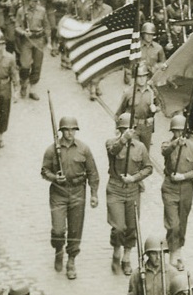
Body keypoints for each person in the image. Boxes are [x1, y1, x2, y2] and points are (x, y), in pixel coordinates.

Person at [42, 115, 101, 280]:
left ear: (76, 130)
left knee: (75, 229)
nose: (69, 133)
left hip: (77, 192)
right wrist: (54, 177)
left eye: (72, 129)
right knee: (58, 229)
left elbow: (93, 173)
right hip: (58, 192)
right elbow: (44, 171)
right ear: (61, 131)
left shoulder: (84, 149)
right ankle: (58, 250)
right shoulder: (52, 149)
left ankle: (71, 260)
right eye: (66, 130)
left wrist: (94, 194)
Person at [105, 112, 153, 274]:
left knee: (132, 226)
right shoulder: (112, 142)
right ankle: (116, 251)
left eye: (129, 129)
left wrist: (134, 178)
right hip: (115, 189)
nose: (126, 132)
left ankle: (126, 256)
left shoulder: (140, 147)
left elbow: (148, 168)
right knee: (118, 227)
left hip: (133, 190)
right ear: (118, 129)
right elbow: (112, 151)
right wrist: (123, 139)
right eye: (123, 129)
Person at [160, 113, 193, 270]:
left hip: (186, 189)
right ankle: (173, 251)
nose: (179, 134)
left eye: (181, 131)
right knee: (173, 224)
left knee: (182, 223)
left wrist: (184, 176)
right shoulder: (167, 144)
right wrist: (175, 144)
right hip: (170, 188)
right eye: (176, 131)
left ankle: (177, 251)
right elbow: (164, 151)